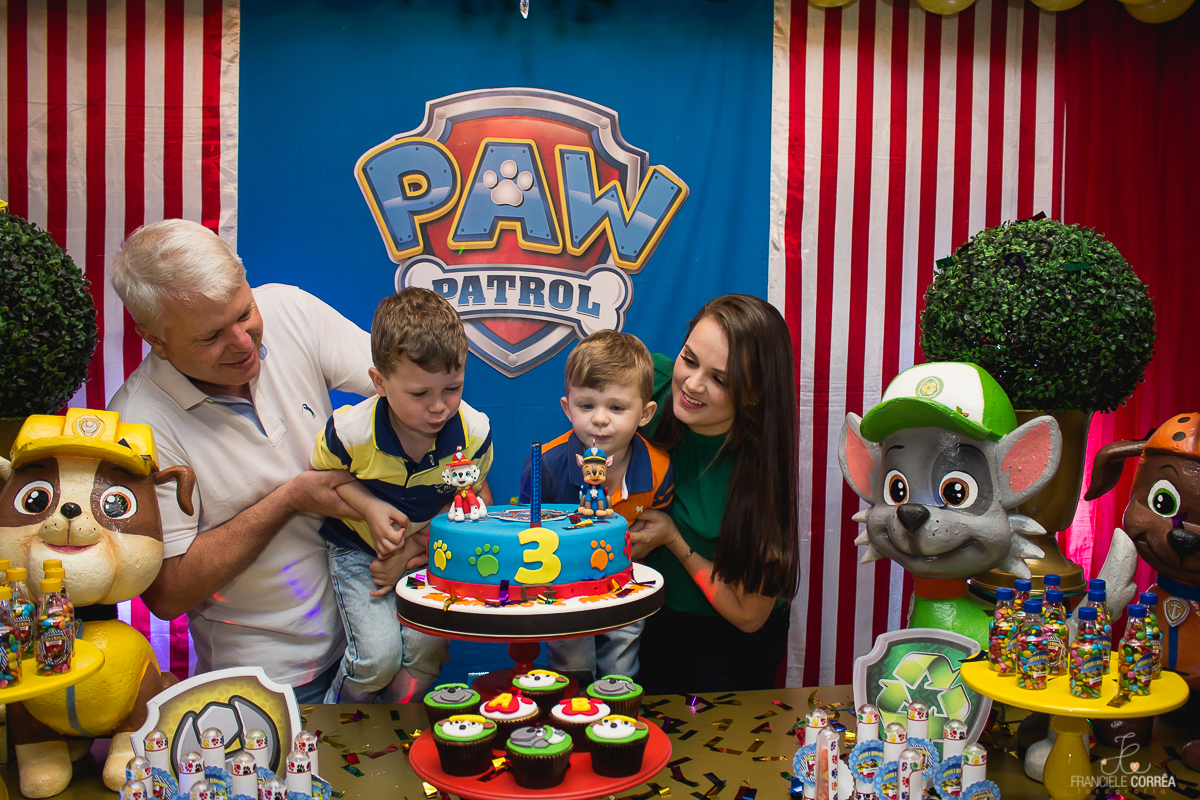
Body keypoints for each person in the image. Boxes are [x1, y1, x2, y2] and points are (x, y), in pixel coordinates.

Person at [107, 219, 374, 703]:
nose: (243, 341)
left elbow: (408, 387)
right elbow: (166, 592)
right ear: (154, 338)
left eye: (244, 312)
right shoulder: (136, 424)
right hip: (267, 682)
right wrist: (290, 499)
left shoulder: (290, 308)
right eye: (211, 337)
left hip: (373, 638)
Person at [310, 288, 493, 703]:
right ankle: (338, 733)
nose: (438, 407)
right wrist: (370, 506)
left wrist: (413, 549)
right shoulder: (349, 432)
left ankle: (396, 730)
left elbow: (474, 497)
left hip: (428, 554)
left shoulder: (475, 432)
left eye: (452, 388)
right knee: (377, 659)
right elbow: (322, 478)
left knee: (428, 651)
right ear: (379, 383)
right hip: (359, 550)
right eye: (419, 394)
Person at [627, 295, 800, 693]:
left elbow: (748, 616)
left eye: (720, 379)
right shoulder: (644, 384)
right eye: (689, 359)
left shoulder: (758, 476)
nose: (692, 383)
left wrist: (672, 539)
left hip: (723, 648)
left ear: (753, 393)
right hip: (643, 623)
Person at [519, 330, 673, 681]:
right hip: (564, 589)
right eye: (586, 405)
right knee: (572, 667)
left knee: (621, 667)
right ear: (566, 407)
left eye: (617, 408)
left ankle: (617, 722)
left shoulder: (659, 467)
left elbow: (656, 518)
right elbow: (527, 527)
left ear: (645, 413)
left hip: (625, 583)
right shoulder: (545, 465)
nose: (600, 419)